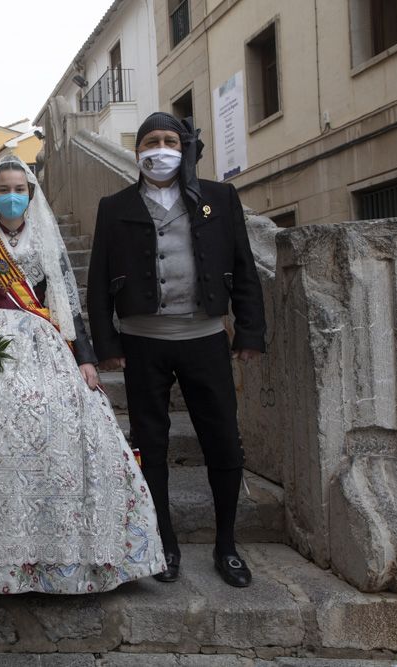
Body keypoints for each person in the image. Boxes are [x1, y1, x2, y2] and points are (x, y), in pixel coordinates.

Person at [0, 156, 165, 594]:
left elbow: (68, 304)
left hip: (43, 340)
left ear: (30, 195)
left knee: (63, 425)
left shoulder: (47, 240)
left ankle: (64, 546)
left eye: (19, 189)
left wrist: (84, 357)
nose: (12, 196)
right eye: (3, 190)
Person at [86, 112, 266, 588]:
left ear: (184, 147)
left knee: (223, 441)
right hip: (143, 344)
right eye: (150, 142)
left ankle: (226, 544)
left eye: (169, 141)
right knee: (151, 445)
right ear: (138, 151)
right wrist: (106, 343)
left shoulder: (219, 198)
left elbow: (244, 268)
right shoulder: (114, 205)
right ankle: (164, 543)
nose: (159, 149)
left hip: (205, 338)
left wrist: (249, 332)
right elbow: (98, 282)